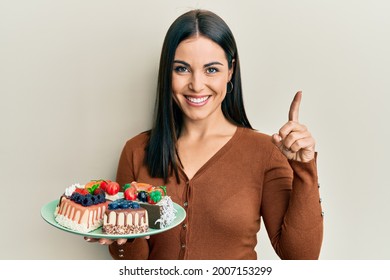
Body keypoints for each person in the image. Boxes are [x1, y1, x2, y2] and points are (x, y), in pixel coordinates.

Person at [85, 9, 323, 260]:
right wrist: (124, 237)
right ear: (167, 72)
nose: (197, 85)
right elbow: (134, 265)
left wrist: (304, 167)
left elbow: (301, 259)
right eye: (182, 69)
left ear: (230, 71)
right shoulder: (136, 151)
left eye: (211, 70)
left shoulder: (265, 152)